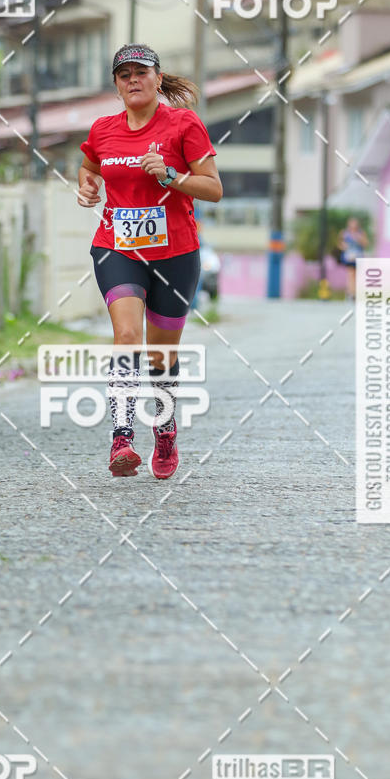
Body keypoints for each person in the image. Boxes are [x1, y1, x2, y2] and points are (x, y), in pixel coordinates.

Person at [77, 43, 223, 478]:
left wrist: (172, 175)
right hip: (117, 247)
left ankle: (165, 429)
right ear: (117, 85)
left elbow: (213, 189)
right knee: (126, 336)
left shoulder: (183, 124)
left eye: (142, 72)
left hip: (175, 253)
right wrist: (86, 186)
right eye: (125, 74)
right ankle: (121, 438)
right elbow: (89, 165)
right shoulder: (104, 129)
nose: (133, 80)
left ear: (158, 79)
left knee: (160, 356)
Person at [337, 217, 368, 299]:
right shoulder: (344, 233)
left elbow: (365, 244)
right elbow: (339, 244)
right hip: (349, 256)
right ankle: (351, 292)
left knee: (356, 274)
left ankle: (354, 292)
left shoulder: (361, 233)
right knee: (350, 273)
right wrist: (343, 246)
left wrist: (360, 239)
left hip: (358, 256)